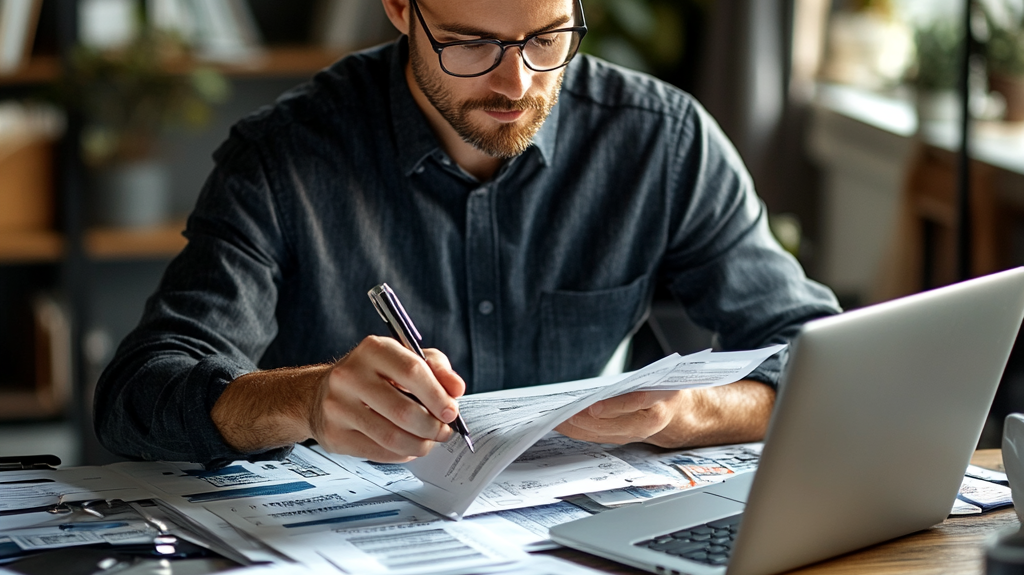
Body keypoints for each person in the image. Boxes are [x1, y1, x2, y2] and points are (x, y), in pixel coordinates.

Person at [94, 0, 840, 468]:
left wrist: (686, 413)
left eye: (546, 39)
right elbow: (138, 395)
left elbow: (821, 357)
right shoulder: (284, 158)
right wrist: (309, 400)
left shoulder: (661, 141)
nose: (515, 82)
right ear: (399, 8)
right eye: (471, 44)